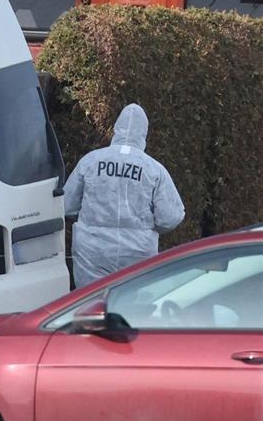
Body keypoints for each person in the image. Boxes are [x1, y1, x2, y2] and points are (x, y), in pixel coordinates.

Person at [63, 103, 185, 288]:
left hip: (92, 250)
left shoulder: (91, 161)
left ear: (116, 129)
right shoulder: (154, 169)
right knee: (134, 305)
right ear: (144, 133)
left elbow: (67, 204)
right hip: (137, 253)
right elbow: (171, 217)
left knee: (90, 303)